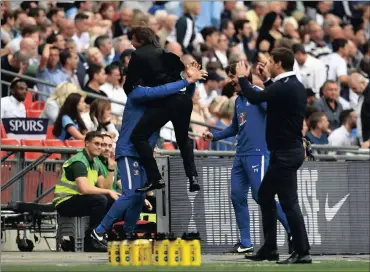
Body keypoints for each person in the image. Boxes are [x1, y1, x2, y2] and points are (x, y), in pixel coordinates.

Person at [90, 63, 206, 246]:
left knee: (139, 196)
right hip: (128, 150)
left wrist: (191, 83)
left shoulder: (159, 99)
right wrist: (185, 79)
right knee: (130, 193)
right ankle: (99, 231)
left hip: (144, 154)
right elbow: (160, 91)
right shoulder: (138, 93)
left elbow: (182, 101)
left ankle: (127, 235)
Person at [203, 64, 292, 254]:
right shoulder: (238, 101)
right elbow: (235, 127)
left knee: (262, 196)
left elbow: (277, 112)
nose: (230, 81)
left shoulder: (259, 94)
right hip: (241, 154)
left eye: (233, 76)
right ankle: (246, 241)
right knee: (236, 195)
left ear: (244, 75)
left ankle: (292, 231)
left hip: (258, 153)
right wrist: (215, 136)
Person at [235, 48, 311, 264]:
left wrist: (242, 77)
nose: (266, 64)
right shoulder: (291, 85)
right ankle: (270, 248)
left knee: (288, 202)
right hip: (286, 151)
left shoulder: (283, 87)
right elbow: (273, 94)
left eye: (269, 61)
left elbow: (253, 96)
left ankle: (302, 251)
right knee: (265, 195)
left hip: (286, 153)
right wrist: (267, 80)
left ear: (278, 63)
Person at [124, 26, 203, 193]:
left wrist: (132, 90)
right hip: (184, 101)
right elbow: (178, 79)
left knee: (138, 136)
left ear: (140, 40)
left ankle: (155, 177)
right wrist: (188, 78)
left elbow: (130, 85)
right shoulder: (165, 52)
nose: (131, 43)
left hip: (166, 102)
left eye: (133, 39)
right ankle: (193, 177)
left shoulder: (138, 55)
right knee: (183, 139)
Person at [53, 131, 120, 251]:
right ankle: (92, 239)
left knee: (112, 200)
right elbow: (84, 189)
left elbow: (105, 187)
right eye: (96, 144)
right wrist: (108, 192)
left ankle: (104, 234)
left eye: (101, 144)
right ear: (87, 143)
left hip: (79, 200)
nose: (99, 147)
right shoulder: (79, 162)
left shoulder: (95, 163)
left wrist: (111, 168)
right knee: (100, 199)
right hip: (64, 202)